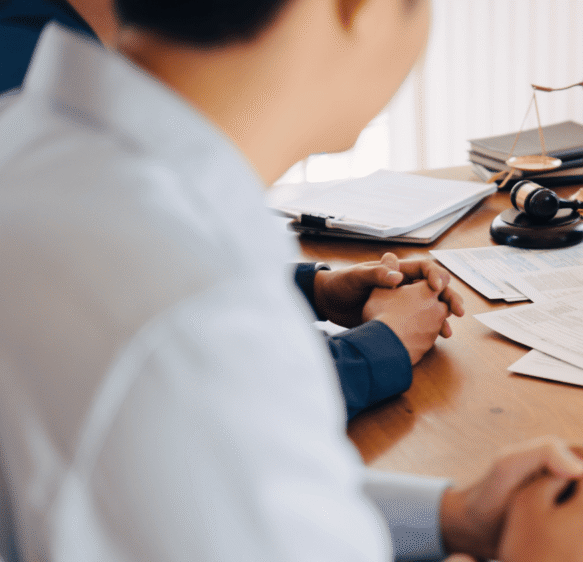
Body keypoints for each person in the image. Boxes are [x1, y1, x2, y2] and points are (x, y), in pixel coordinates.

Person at [0, 1, 583, 562]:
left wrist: (448, 514)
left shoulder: (33, 152)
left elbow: (181, 503)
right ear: (357, 9)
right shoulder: (186, 318)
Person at [0, 0, 463, 418]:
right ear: (362, 9)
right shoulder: (188, 286)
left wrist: (311, 288)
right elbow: (231, 398)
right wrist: (385, 344)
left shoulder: (49, 142)